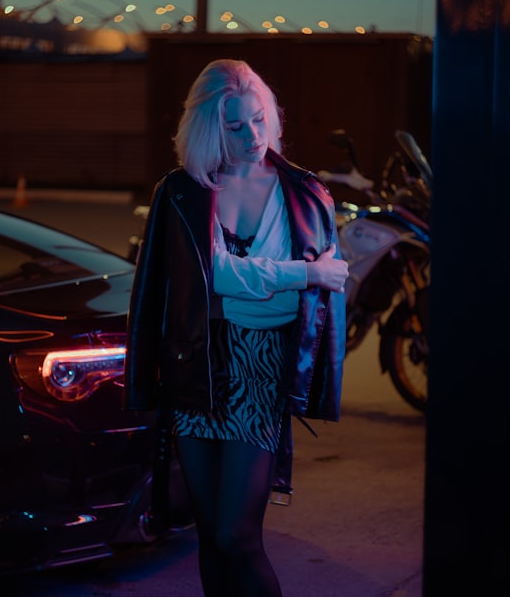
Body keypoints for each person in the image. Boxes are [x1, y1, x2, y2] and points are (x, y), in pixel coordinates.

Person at [123, 58, 348, 597]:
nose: (252, 136)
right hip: (195, 366)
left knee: (237, 535)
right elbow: (206, 275)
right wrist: (301, 272)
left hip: (260, 368)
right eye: (235, 126)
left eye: (259, 120)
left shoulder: (304, 193)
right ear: (208, 128)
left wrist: (277, 283)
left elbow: (320, 294)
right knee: (210, 537)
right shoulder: (181, 191)